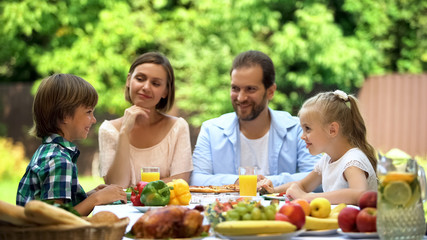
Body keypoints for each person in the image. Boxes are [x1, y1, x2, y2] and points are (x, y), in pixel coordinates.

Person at [190, 50, 320, 187]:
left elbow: (320, 177)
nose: (241, 97)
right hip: (227, 208)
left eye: (250, 89)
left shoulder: (297, 128)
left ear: (270, 91)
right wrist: (237, 182)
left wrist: (270, 183)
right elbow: (195, 179)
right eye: (235, 88)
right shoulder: (211, 130)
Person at [16, 74, 127, 216]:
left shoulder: (49, 151)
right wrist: (96, 199)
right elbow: (57, 220)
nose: (93, 120)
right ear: (64, 115)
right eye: (88, 112)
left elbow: (60, 206)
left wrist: (87, 195)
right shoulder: (59, 161)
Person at [259, 90, 378, 205]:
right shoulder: (327, 160)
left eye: (307, 129)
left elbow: (359, 194)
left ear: (332, 130)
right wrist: (274, 190)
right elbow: (303, 185)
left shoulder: (352, 160)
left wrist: (307, 197)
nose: (302, 136)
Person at [98, 52, 192, 188]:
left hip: (167, 207)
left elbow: (180, 181)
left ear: (165, 91)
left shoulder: (178, 127)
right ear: (129, 80)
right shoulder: (108, 130)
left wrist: (136, 189)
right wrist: (124, 133)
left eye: (155, 83)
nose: (146, 87)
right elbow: (117, 186)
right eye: (140, 79)